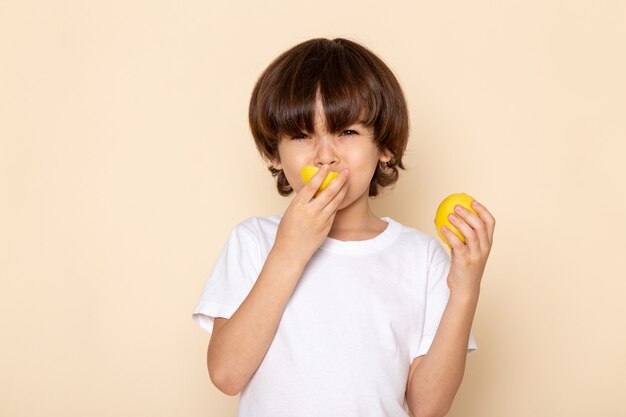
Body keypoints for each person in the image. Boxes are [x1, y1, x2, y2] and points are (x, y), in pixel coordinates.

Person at [192, 37, 496, 417]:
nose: (324, 155)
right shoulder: (253, 241)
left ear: (384, 146)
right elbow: (226, 374)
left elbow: (427, 408)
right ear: (273, 153)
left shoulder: (421, 259)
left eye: (347, 132)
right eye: (303, 135)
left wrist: (465, 290)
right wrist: (290, 249)